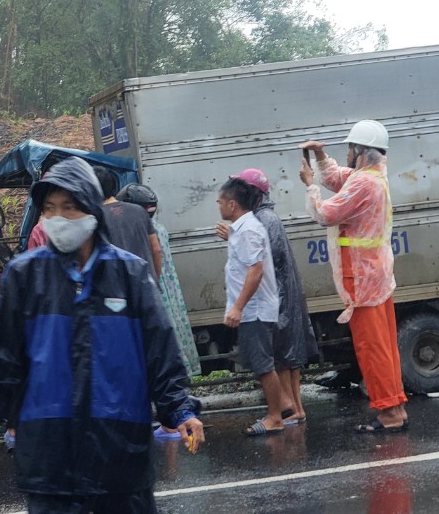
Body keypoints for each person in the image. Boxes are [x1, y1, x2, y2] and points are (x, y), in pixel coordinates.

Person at [0, 157, 204, 514]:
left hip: (119, 451)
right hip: (50, 454)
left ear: (92, 210)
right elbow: (1, 358)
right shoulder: (24, 276)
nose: (58, 218)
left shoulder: (129, 274)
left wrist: (180, 408)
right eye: (49, 208)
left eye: (69, 207)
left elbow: (159, 352)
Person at [300, 119, 409, 433]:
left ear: (361, 152)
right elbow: (336, 178)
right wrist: (320, 155)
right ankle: (395, 406)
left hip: (361, 278)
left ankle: (389, 413)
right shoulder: (371, 177)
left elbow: (325, 214)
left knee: (372, 348)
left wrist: (310, 184)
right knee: (384, 345)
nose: (347, 153)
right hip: (375, 277)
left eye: (350, 148)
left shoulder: (364, 183)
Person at [231, 169, 320, 425]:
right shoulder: (265, 216)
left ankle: (291, 410)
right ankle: (297, 410)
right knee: (288, 357)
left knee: (281, 356)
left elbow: (265, 259)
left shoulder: (263, 219)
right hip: (282, 293)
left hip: (276, 295)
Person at [216, 176, 286, 437]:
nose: (219, 206)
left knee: (263, 365)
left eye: (221, 202)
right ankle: (282, 407)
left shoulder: (248, 230)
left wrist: (237, 307)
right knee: (260, 363)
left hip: (254, 309)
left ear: (232, 204)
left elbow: (255, 272)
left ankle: (276, 418)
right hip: (253, 309)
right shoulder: (242, 229)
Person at [116, 183, 201, 380]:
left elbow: (153, 254)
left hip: (154, 282)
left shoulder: (142, 228)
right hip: (168, 286)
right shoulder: (159, 227)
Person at [94, 165, 162, 279]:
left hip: (116, 288)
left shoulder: (95, 217)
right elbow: (156, 250)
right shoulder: (139, 211)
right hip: (146, 283)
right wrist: (155, 280)